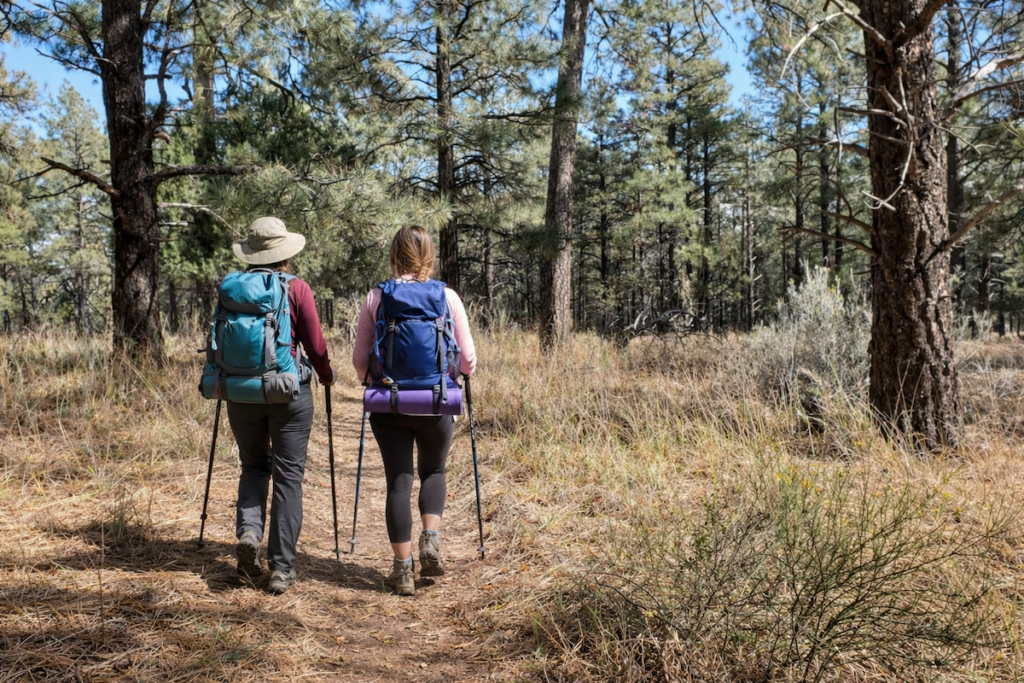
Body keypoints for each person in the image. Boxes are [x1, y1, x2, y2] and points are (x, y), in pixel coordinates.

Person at [351, 225, 477, 596]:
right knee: (434, 470)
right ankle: (431, 539)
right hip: (437, 401)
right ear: (429, 257)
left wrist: (372, 380)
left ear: (394, 256)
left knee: (398, 481)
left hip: (389, 403)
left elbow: (360, 360)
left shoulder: (377, 297)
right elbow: (467, 359)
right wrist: (458, 374)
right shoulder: (447, 297)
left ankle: (402, 571)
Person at [228, 216, 336, 594]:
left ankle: (248, 532)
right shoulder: (297, 288)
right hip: (289, 392)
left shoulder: (233, 288)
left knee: (253, 465)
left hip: (241, 392)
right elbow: (315, 344)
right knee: (289, 476)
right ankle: (281, 568)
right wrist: (326, 375)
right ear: (284, 253)